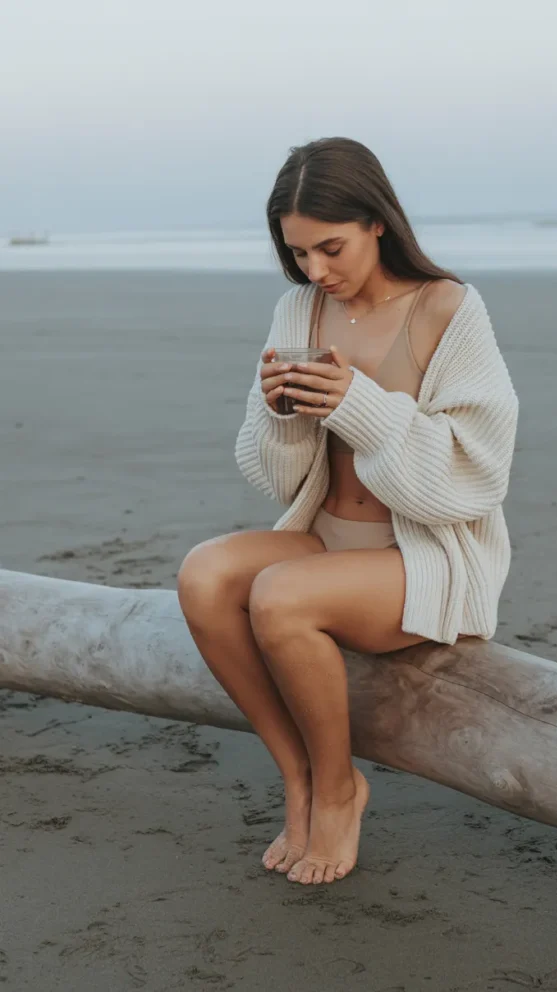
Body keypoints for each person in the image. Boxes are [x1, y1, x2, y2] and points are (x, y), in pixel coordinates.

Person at [177, 137, 519, 886]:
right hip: (326, 541)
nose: (315, 272)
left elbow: (474, 475)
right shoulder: (297, 309)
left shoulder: (447, 308)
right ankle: (297, 773)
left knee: (280, 595)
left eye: (329, 248)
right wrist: (281, 416)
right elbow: (273, 478)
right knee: (204, 574)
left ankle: (339, 789)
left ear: (376, 223)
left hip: (423, 562)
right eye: (298, 254)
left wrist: (360, 406)